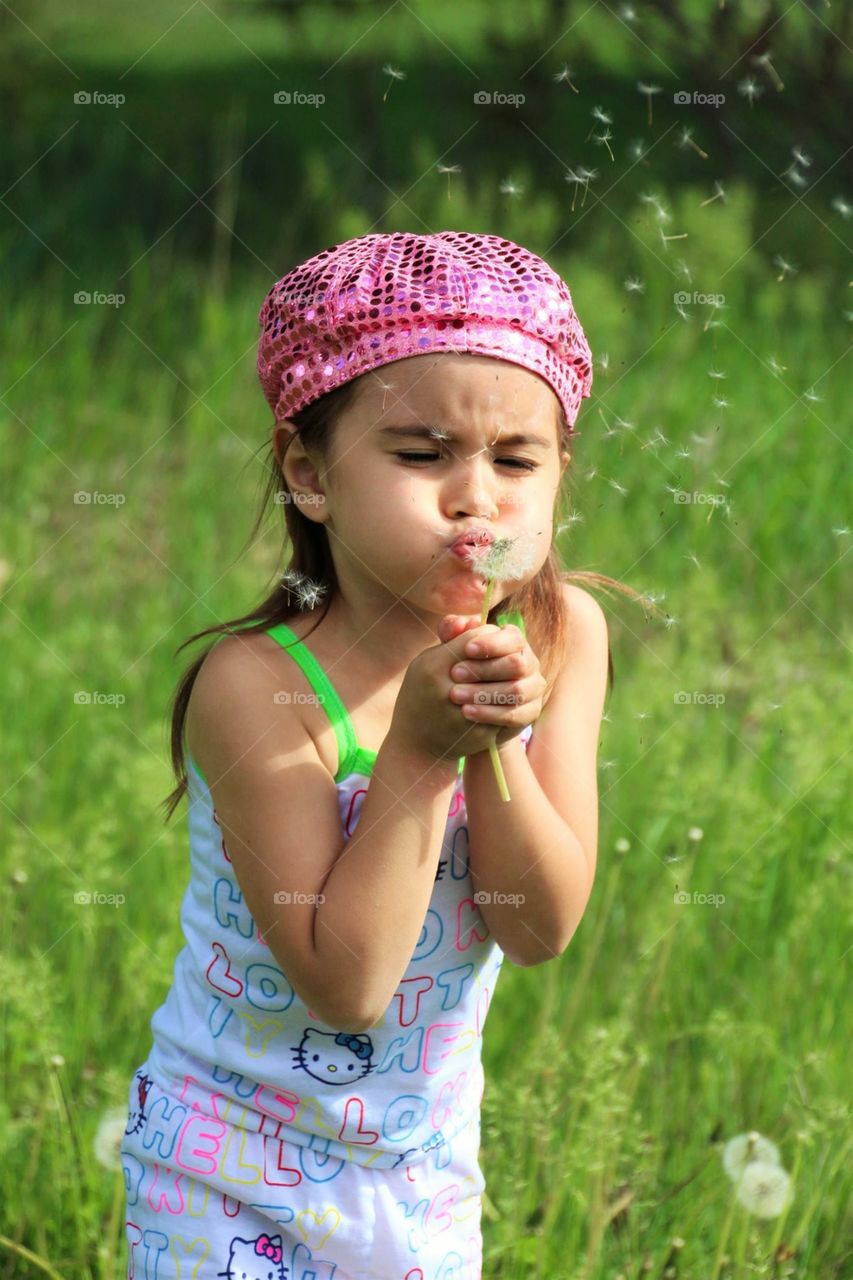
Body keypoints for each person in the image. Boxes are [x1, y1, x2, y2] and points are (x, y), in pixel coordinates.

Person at [120, 230, 634, 1280]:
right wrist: (420, 751)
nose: (476, 498)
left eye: (516, 460)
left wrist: (491, 743)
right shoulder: (256, 685)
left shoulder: (562, 635)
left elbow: (536, 927)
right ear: (309, 474)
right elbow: (346, 986)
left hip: (420, 1173)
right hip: (226, 1170)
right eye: (421, 454)